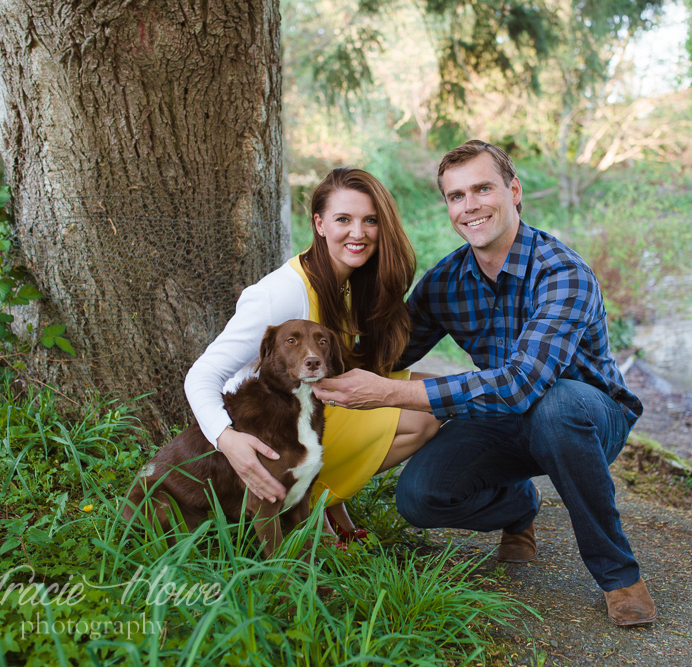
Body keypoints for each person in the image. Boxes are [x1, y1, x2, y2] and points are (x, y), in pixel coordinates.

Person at [312, 140, 657, 626]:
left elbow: (521, 385)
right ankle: (520, 507)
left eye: (482, 189)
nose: (469, 206)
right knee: (419, 496)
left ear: (513, 191)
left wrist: (393, 394)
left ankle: (620, 577)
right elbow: (385, 353)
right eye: (456, 196)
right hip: (503, 420)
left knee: (555, 407)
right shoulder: (447, 280)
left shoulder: (561, 272)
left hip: (587, 416)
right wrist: (319, 315)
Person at [184, 168, 441, 538]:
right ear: (319, 224)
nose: (359, 232)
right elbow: (203, 374)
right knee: (423, 417)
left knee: (429, 396)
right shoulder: (281, 293)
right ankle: (303, 500)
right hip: (270, 431)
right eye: (343, 220)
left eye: (370, 220)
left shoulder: (349, 282)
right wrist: (228, 440)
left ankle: (325, 503)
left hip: (308, 409)